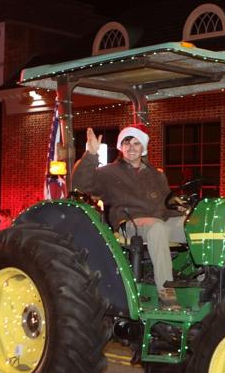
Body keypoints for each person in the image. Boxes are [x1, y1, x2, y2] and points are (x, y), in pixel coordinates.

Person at [73, 125, 187, 305]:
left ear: (144, 148)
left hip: (160, 221)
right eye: (127, 143)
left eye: (136, 143)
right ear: (121, 147)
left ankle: (205, 279)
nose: (132, 147)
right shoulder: (109, 173)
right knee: (157, 228)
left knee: (196, 226)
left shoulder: (157, 176)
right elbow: (81, 183)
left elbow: (166, 204)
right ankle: (166, 291)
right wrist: (90, 155)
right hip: (130, 223)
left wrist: (181, 210)